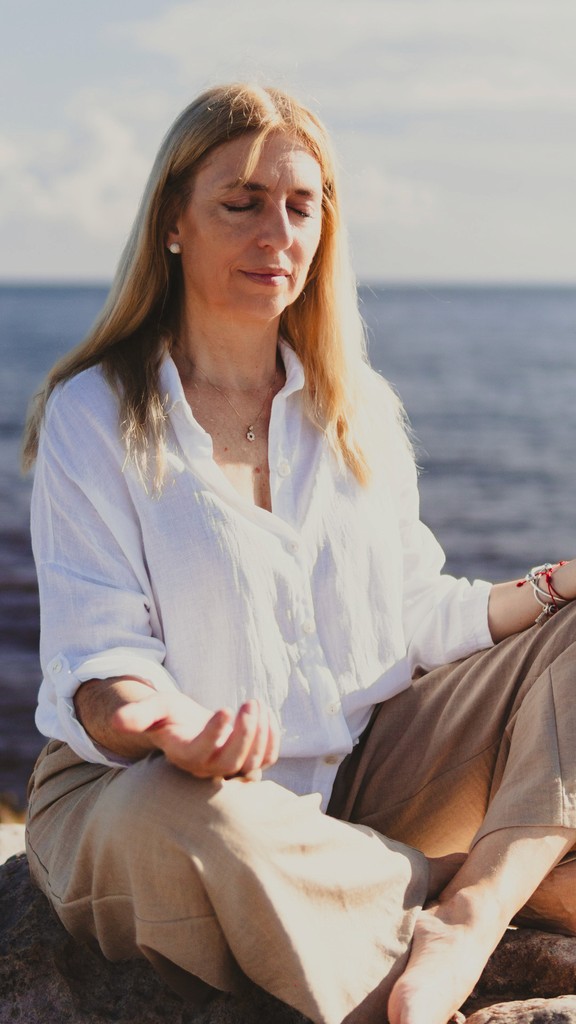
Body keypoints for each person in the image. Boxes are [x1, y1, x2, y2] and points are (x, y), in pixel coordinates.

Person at [22, 82, 576, 1024]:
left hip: (360, 778)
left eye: (299, 205)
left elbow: (410, 617)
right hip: (154, 788)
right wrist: (172, 731)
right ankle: (464, 884)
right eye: (240, 202)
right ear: (172, 223)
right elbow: (98, 665)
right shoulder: (96, 416)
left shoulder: (355, 413)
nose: (275, 231)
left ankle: (473, 914)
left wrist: (548, 589)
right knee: (199, 821)